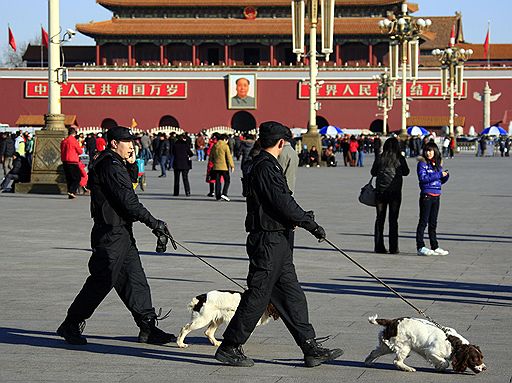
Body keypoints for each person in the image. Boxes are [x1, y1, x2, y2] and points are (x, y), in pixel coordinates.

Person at [215, 121, 343, 368]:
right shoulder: (265, 167)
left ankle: (309, 346)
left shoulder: (263, 164)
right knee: (258, 295)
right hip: (268, 240)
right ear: (282, 143)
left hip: (278, 240)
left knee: (292, 295)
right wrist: (309, 223)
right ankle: (230, 346)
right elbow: (282, 201)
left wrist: (301, 219)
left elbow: (281, 203)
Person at [56, 126, 177, 346]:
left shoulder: (113, 162)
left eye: (132, 142)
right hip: (110, 233)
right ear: (114, 143)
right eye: (127, 142)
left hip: (121, 232)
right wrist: (154, 223)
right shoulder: (110, 165)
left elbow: (129, 187)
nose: (131, 146)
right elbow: (128, 201)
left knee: (135, 278)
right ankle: (71, 323)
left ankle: (147, 327)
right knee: (101, 281)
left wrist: (131, 165)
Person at [370, 137, 410, 254]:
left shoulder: (380, 158)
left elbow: (373, 172)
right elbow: (406, 172)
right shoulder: (399, 158)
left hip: (380, 193)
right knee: (393, 220)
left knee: (379, 219)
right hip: (395, 193)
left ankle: (378, 246)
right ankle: (393, 247)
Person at [415, 142, 450, 256]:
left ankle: (435, 246)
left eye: (430, 150)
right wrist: (439, 175)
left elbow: (439, 181)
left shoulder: (437, 164)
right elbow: (423, 178)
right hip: (427, 195)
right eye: (426, 150)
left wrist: (445, 177)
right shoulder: (422, 164)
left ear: (435, 151)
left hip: (436, 195)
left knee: (433, 223)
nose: (428, 153)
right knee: (423, 222)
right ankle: (420, 246)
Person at [209, 133, 234, 201]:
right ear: (224, 139)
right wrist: (232, 165)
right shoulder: (225, 146)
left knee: (217, 181)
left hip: (216, 167)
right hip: (224, 167)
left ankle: (218, 196)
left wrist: (213, 163)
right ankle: (224, 193)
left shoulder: (215, 145)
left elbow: (211, 156)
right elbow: (229, 156)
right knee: (227, 180)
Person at [61, 127, 83, 199]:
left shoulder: (64, 141)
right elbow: (80, 151)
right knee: (77, 177)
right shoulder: (74, 141)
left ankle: (70, 192)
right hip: (72, 161)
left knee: (69, 178)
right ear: (74, 133)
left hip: (65, 161)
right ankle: (72, 191)